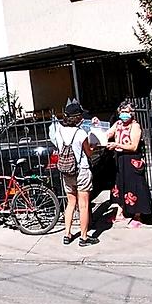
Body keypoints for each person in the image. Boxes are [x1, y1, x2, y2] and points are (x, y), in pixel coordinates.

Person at [95, 101, 152, 227]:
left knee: (135, 186)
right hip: (120, 160)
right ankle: (120, 213)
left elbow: (133, 146)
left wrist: (117, 145)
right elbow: (108, 133)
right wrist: (97, 128)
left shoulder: (135, 126)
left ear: (131, 113)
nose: (124, 114)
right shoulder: (118, 124)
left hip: (131, 159)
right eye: (122, 112)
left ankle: (138, 215)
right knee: (120, 185)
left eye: (126, 112)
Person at [55, 100, 98, 246]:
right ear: (78, 117)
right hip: (81, 170)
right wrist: (94, 145)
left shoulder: (58, 130)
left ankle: (67, 234)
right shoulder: (80, 133)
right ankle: (84, 237)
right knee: (84, 204)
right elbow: (89, 152)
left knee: (70, 203)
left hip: (66, 170)